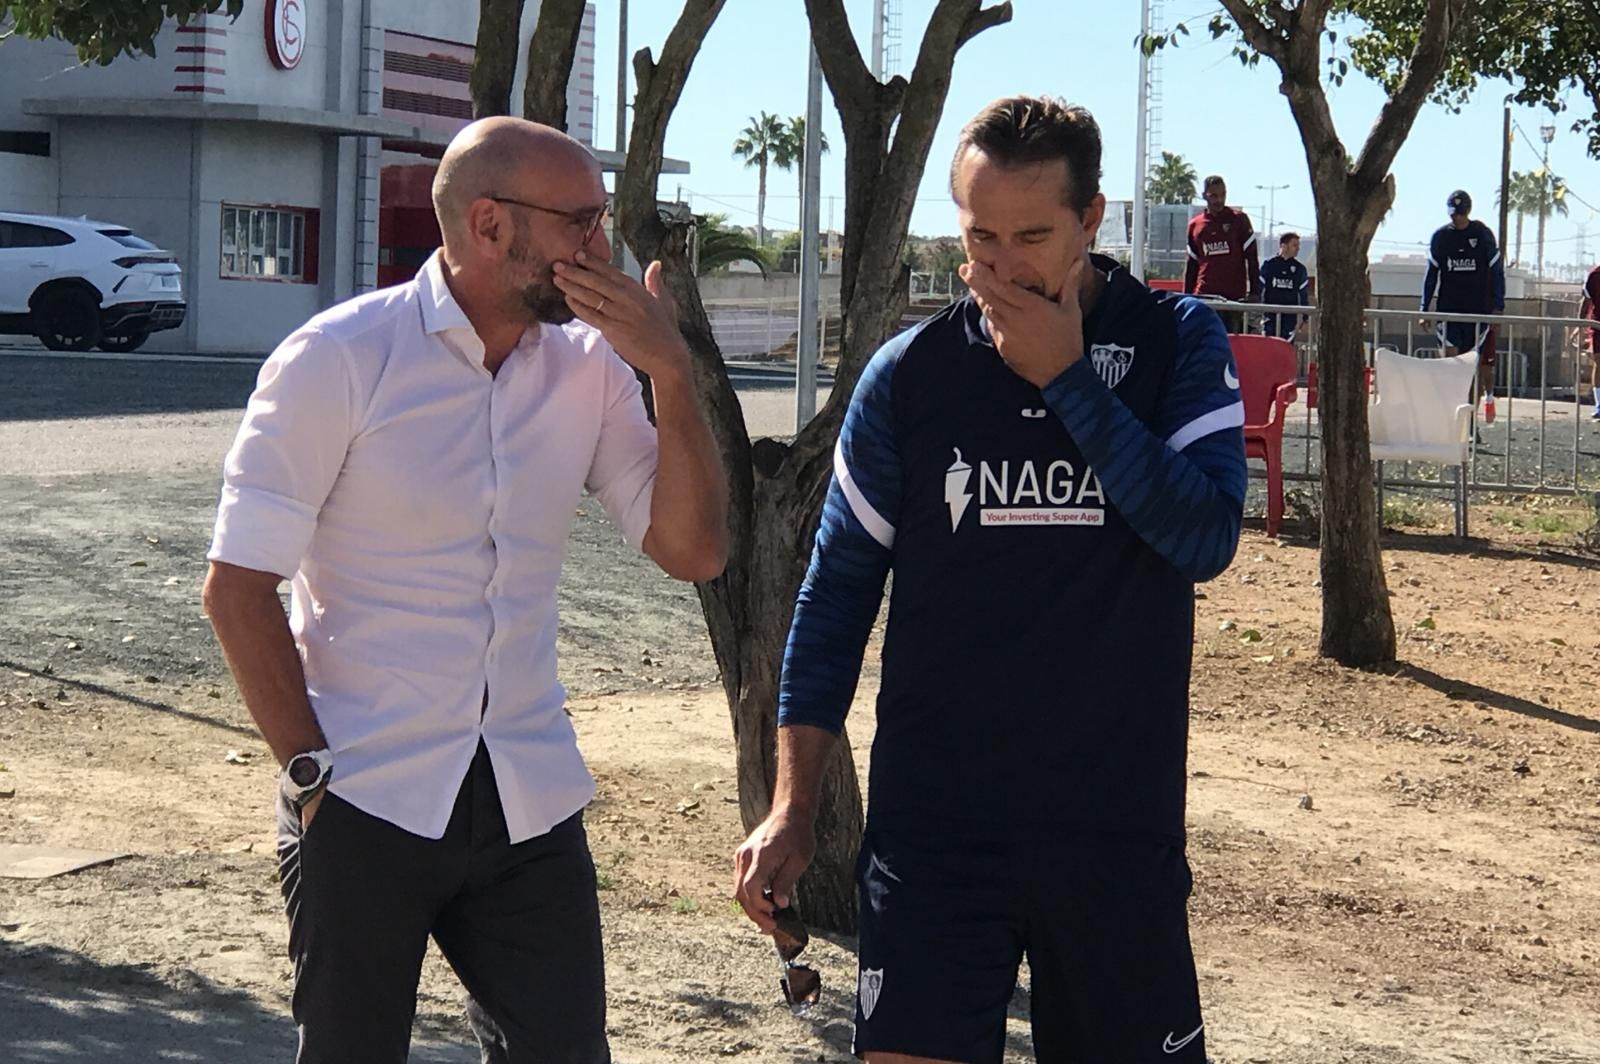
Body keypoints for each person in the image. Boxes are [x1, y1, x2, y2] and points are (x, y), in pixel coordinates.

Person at [202, 117, 728, 1064]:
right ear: (489, 225)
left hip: (527, 796)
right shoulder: (338, 360)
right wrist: (309, 780)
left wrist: (670, 371)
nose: (600, 251)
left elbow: (692, 551)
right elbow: (237, 590)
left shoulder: (592, 370)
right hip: (364, 793)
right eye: (580, 222)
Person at [734, 95, 1245, 1064]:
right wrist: (793, 804)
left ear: (1092, 222)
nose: (999, 266)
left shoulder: (1176, 340)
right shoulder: (910, 373)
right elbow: (834, 593)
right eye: (977, 236)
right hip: (936, 832)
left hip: (1112, 833)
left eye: (1030, 236)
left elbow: (1205, 537)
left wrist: (1070, 383)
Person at [1421, 190, 1505, 421]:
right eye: (1453, 213)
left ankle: (1468, 420)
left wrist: (1498, 307)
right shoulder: (1441, 237)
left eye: (1460, 213)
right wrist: (1424, 308)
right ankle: (1448, 417)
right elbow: (1431, 275)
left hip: (1477, 312)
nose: (1456, 218)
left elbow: (1497, 272)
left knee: (1471, 368)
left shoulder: (1482, 234)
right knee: (1450, 364)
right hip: (1449, 311)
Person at [1184, 174, 1260, 333]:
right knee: (1205, 343)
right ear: (1204, 196)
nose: (1219, 200)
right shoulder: (1195, 225)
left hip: (1233, 298)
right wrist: (1186, 297)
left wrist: (1254, 292)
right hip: (1204, 297)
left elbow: (1252, 258)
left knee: (1231, 345)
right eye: (1214, 196)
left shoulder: (1239, 220)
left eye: (1223, 194)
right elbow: (1191, 265)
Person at [1259, 231, 1310, 340]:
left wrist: (1305, 319)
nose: (1298, 249)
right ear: (1283, 246)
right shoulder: (1269, 265)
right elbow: (1260, 289)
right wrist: (1257, 314)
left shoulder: (1299, 269)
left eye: (1298, 246)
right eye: (1294, 245)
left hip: (1289, 318)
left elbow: (1303, 296)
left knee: (1285, 347)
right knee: (1269, 347)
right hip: (1270, 316)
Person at [1579, 261, 1600, 420]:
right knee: (1599, 362)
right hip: (1598, 326)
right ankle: (1599, 405)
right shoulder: (1594, 276)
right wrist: (1579, 324)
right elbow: (1586, 301)